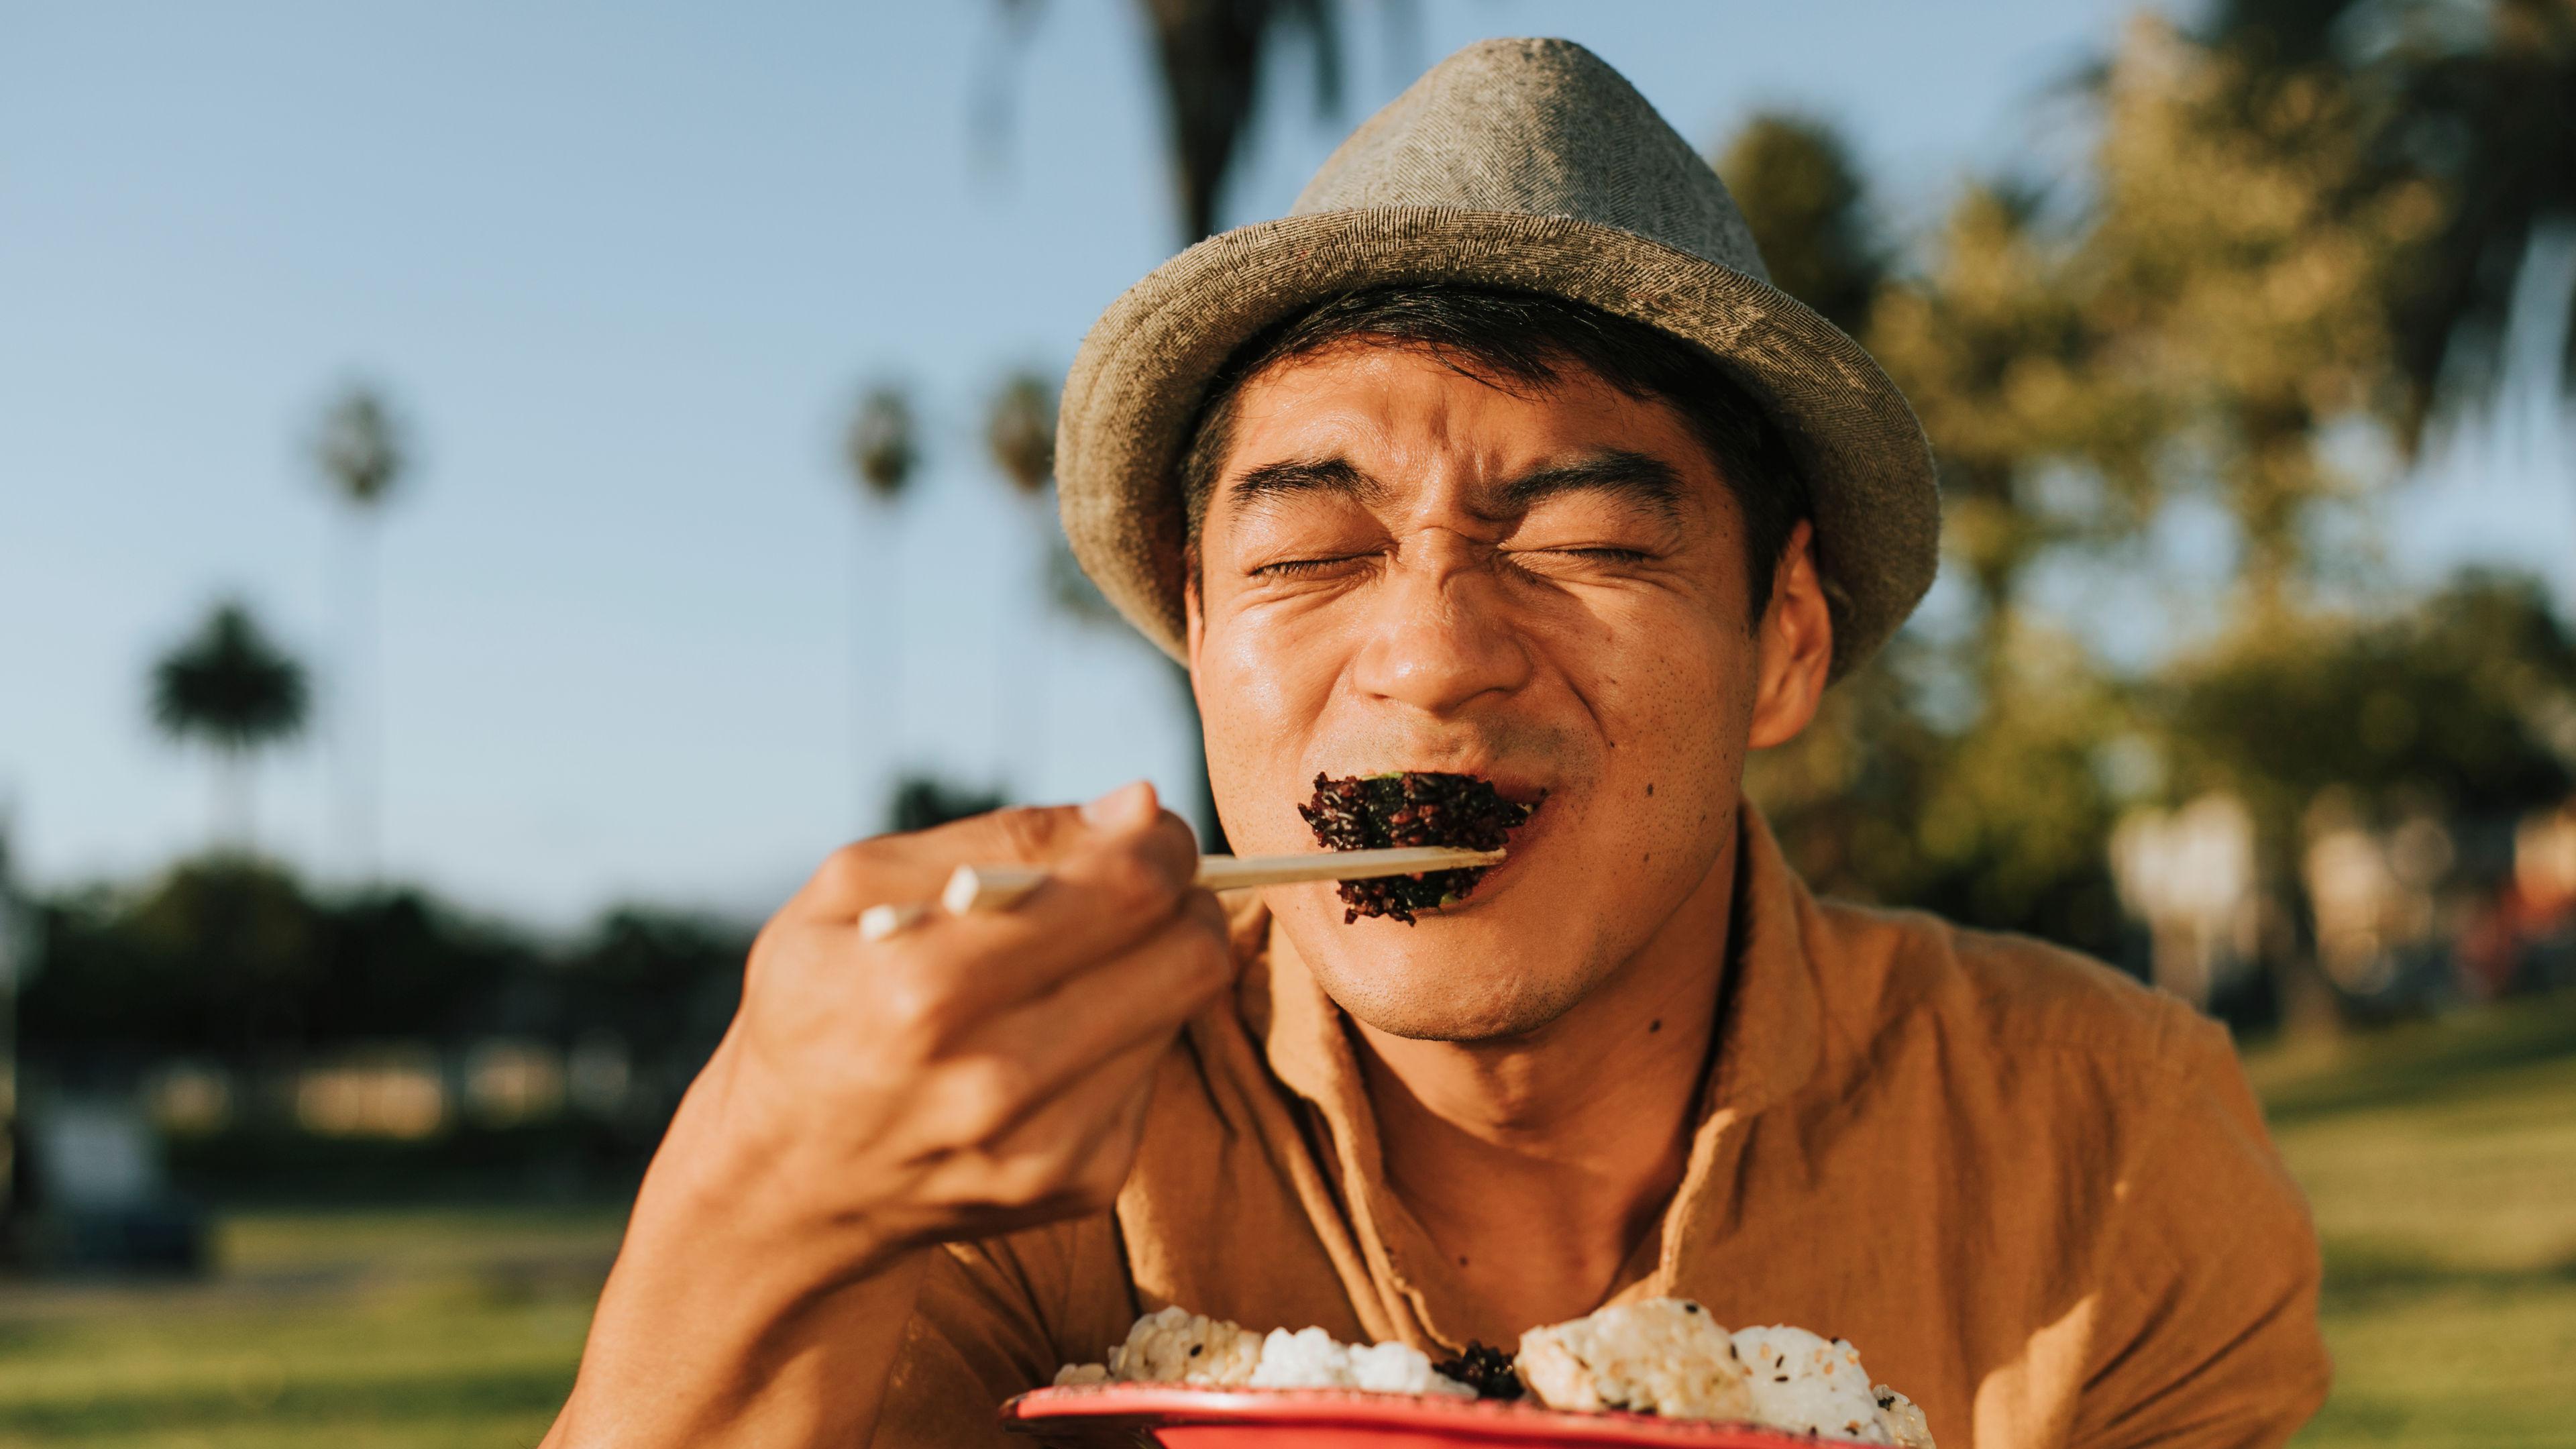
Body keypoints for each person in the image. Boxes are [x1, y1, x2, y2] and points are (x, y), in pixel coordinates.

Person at [543, 39, 2327, 1449]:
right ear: (1195, 634)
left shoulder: (2104, 1144)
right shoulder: (1007, 1155)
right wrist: (766, 1188)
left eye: (1586, 541)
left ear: (1783, 647)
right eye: (1311, 551)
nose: (1430, 656)